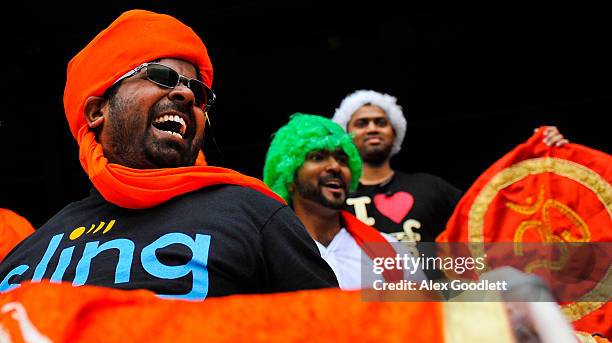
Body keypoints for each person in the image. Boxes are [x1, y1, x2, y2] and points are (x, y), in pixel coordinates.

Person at [0, 10, 338, 300]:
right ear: (95, 112)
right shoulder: (31, 247)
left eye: (199, 91)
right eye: (160, 76)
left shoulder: (257, 215)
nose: (186, 95)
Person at [332, 90, 568, 244]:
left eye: (381, 122)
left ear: (394, 133)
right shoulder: (332, 196)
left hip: (430, 305)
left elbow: (489, 218)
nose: (372, 128)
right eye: (362, 123)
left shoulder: (430, 187)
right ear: (346, 136)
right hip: (359, 307)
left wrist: (542, 156)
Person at [263, 113, 421, 289]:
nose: (335, 167)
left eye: (342, 159)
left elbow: (425, 312)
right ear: (288, 177)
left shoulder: (391, 251)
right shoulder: (266, 252)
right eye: (317, 157)